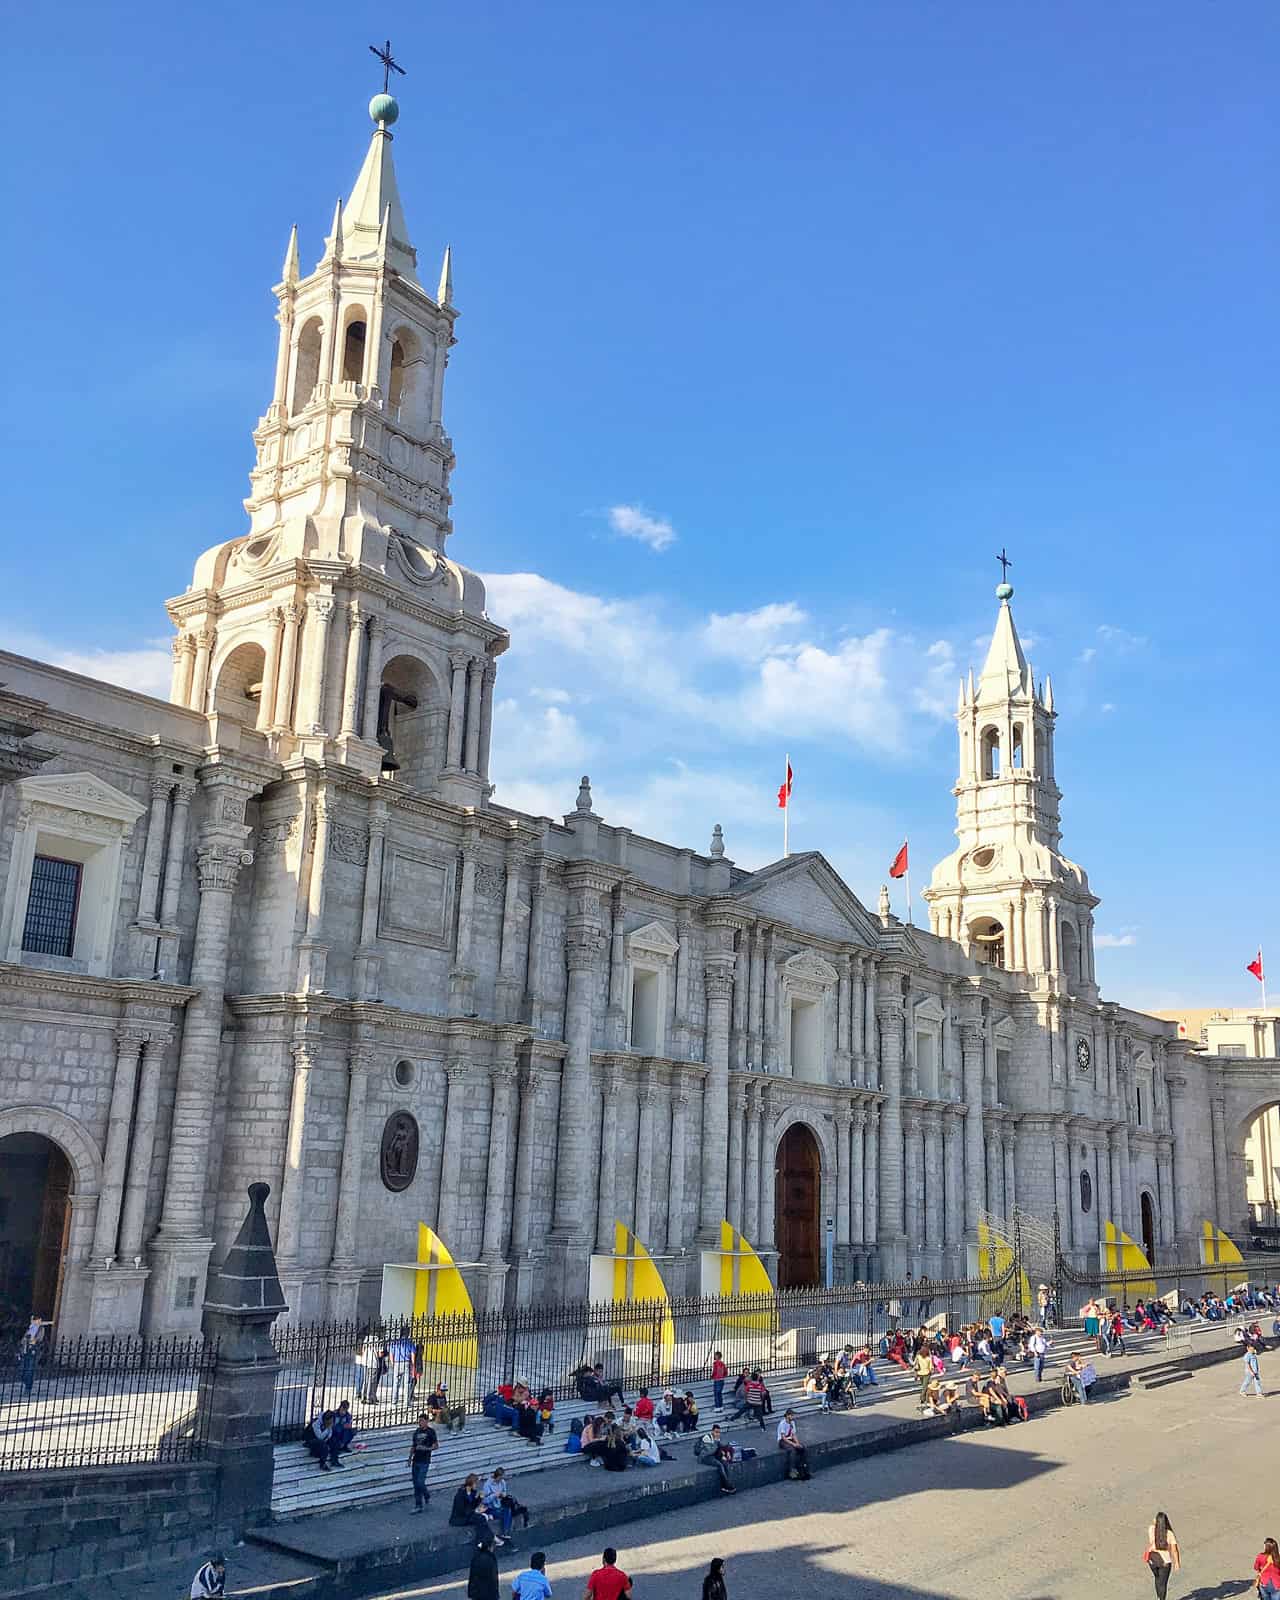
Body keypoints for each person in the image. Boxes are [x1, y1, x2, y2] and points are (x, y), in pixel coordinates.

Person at [1144, 1511, 1180, 1600]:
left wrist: (1155, 1521)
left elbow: (1153, 1523)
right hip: (1165, 1562)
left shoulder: (1151, 1529)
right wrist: (1177, 1563)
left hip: (1152, 1559)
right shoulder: (1169, 1534)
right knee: (1163, 1583)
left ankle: (1158, 1597)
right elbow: (1175, 1550)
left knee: (1157, 1578)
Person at [695, 1423, 736, 1494]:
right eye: (716, 1432)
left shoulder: (717, 1438)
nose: (717, 1434)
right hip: (704, 1457)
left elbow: (724, 1446)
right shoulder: (707, 1438)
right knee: (719, 1465)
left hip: (713, 1455)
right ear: (712, 1431)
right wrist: (716, 1443)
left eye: (719, 1432)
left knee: (725, 1463)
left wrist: (728, 1452)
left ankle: (726, 1484)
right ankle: (727, 1485)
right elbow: (709, 1451)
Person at [409, 1412, 438, 1511]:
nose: (420, 1423)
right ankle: (419, 1504)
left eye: (422, 1421)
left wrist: (426, 1448)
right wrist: (409, 1458)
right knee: (416, 1483)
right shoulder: (416, 1431)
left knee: (420, 1482)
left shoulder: (431, 1432)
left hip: (425, 1460)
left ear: (426, 1421)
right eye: (419, 1421)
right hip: (415, 1460)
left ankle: (425, 1495)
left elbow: (436, 1446)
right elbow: (413, 1446)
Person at [777, 1408, 810, 1480]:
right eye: (791, 1415)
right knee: (792, 1450)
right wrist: (793, 1444)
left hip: (790, 1439)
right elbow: (783, 1438)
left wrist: (797, 1443)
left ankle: (803, 1468)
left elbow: (794, 1434)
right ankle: (792, 1470)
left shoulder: (792, 1423)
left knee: (803, 1448)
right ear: (787, 1416)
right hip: (782, 1441)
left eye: (793, 1415)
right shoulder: (782, 1423)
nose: (793, 1417)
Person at [468, 1533, 501, 1600]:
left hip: (477, 1594)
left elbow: (472, 1576)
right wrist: (496, 1595)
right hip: (489, 1594)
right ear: (490, 1547)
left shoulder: (476, 1558)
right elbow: (493, 1579)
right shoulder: (491, 1559)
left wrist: (471, 1593)